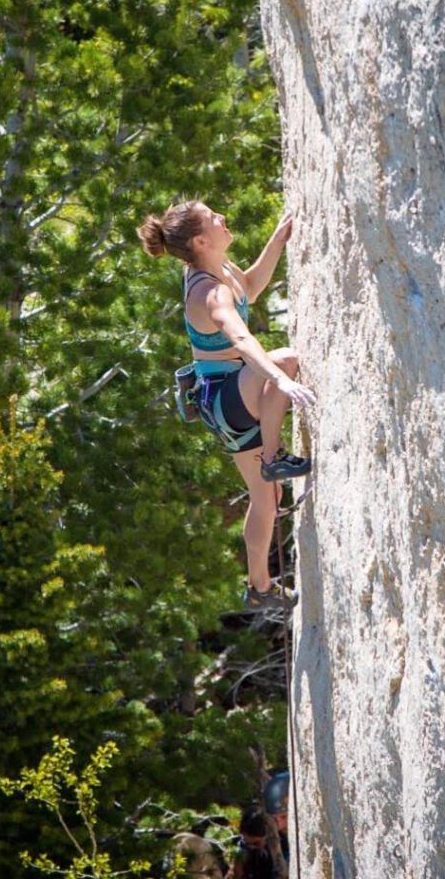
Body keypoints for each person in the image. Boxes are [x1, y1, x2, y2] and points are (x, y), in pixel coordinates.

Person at [138, 200, 316, 610]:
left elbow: (251, 288)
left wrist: (278, 237)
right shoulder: (209, 291)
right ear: (201, 240)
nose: (222, 217)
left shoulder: (218, 268)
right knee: (285, 358)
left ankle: (259, 587)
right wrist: (279, 378)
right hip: (228, 396)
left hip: (224, 399)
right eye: (212, 218)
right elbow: (240, 338)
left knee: (266, 497)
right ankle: (274, 454)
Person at [229, 803, 284, 879]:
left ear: (266, 837)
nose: (251, 847)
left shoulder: (279, 847)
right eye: (247, 844)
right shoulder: (241, 851)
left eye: (256, 843)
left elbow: (281, 872)